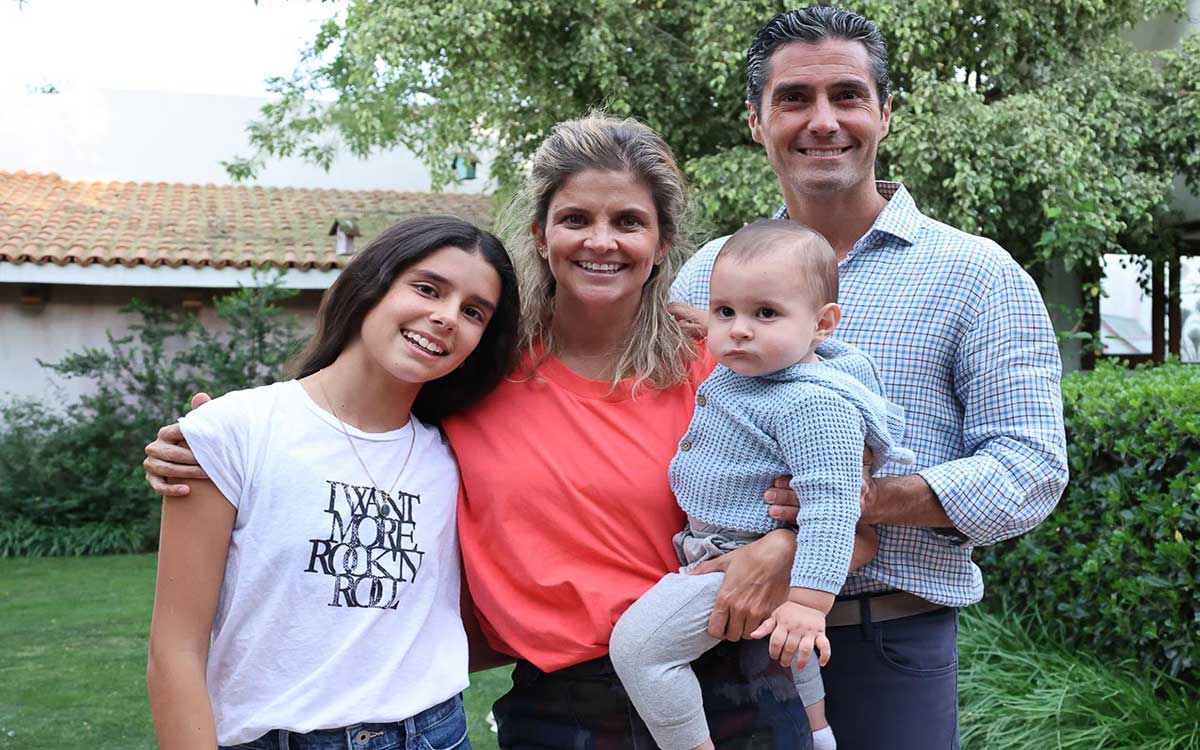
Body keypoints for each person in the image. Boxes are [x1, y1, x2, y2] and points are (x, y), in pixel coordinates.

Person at [145, 114, 816, 748]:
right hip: (562, 709)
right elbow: (348, 412)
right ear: (540, 234)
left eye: (629, 222)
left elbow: (850, 507)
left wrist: (785, 546)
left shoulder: (724, 366)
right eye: (576, 219)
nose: (601, 241)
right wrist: (220, 440)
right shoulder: (478, 368)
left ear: (662, 243)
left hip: (732, 686)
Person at [669, 8, 1070, 749]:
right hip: (717, 636)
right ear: (757, 121)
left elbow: (1031, 469)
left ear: (884, 113)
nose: (823, 121)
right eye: (794, 98)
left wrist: (860, 502)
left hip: (881, 643)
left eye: (847, 95)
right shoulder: (707, 275)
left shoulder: (975, 273)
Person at [145, 216, 521, 750]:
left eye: (473, 312)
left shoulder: (459, 455)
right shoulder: (235, 430)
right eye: (427, 289)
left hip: (433, 733)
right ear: (372, 285)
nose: (446, 317)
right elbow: (175, 651)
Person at [610, 220, 914, 750]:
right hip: (727, 546)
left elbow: (832, 507)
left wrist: (808, 603)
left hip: (741, 556)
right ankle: (818, 732)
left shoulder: (813, 403)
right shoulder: (756, 372)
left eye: (766, 313)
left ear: (823, 324)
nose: (739, 329)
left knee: (640, 649)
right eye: (725, 311)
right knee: (787, 645)